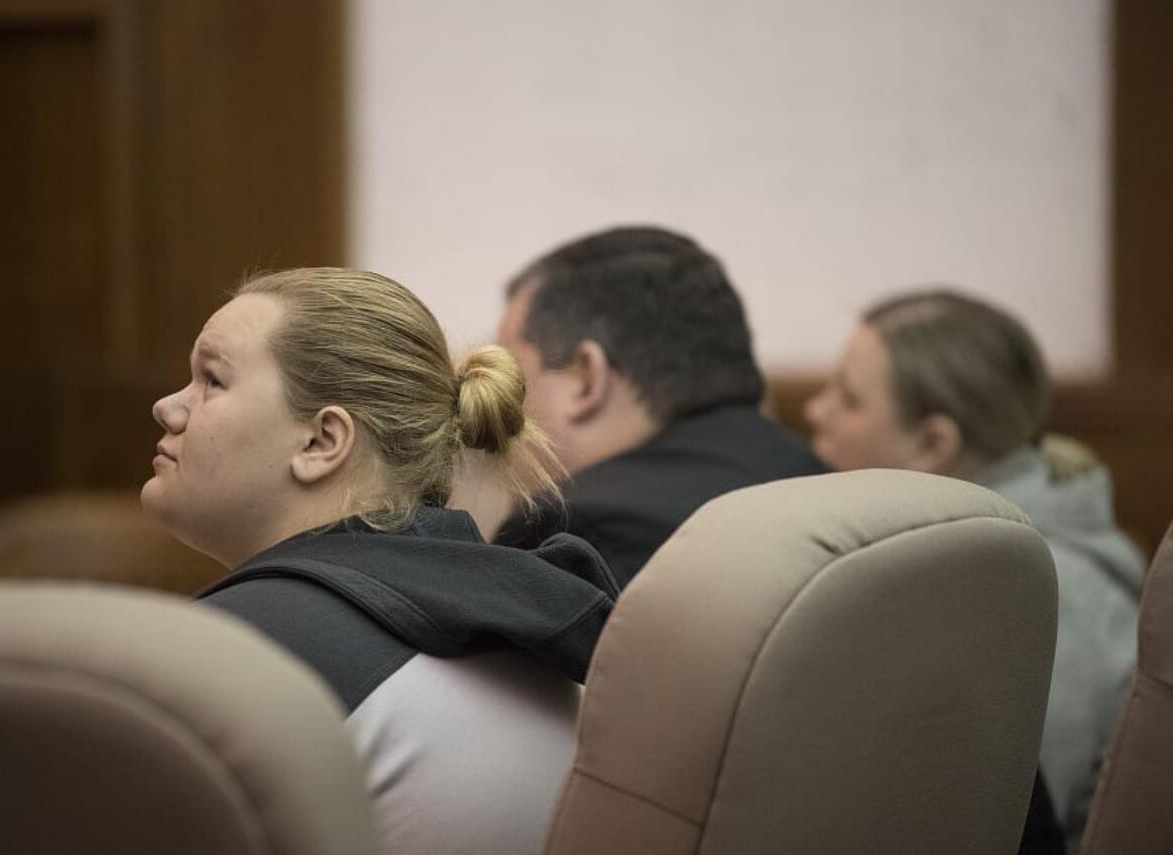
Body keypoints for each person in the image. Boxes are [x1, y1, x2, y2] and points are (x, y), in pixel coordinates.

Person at [141, 268, 619, 855]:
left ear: (321, 442)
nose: (168, 407)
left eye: (211, 380)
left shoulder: (246, 651)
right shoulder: (525, 628)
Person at [805, 289, 1144, 851]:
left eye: (849, 398)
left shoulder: (1037, 597)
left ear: (933, 443)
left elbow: (996, 829)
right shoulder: (969, 556)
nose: (816, 411)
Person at [493, 226, 825, 587]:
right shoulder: (822, 476)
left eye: (511, 382)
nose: (495, 419)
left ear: (585, 379)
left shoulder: (571, 535)